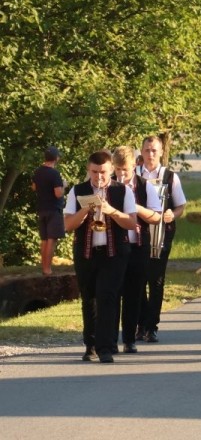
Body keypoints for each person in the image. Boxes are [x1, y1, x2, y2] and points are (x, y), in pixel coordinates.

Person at [64, 150, 138, 363]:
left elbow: (132, 223)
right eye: (95, 172)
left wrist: (110, 210)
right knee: (89, 298)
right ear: (88, 170)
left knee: (107, 296)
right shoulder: (77, 191)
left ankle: (106, 347)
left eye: (103, 172)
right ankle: (90, 345)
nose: (99, 177)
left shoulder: (123, 191)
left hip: (114, 253)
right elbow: (68, 225)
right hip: (86, 252)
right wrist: (85, 210)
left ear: (111, 170)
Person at [135, 136, 187, 344]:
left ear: (161, 151)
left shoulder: (170, 176)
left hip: (161, 234)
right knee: (137, 280)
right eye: (147, 150)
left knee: (156, 281)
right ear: (141, 151)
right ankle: (140, 322)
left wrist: (172, 215)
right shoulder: (133, 174)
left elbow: (181, 206)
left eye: (154, 150)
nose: (150, 155)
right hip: (137, 234)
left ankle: (152, 326)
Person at [111, 146, 161, 354]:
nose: (121, 175)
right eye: (118, 170)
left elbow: (157, 217)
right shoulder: (108, 185)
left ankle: (129, 338)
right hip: (114, 245)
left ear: (135, 165)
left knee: (134, 293)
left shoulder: (144, 186)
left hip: (138, 246)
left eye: (126, 170)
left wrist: (135, 206)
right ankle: (110, 339)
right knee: (112, 293)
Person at [32, 146, 66, 275]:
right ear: (56, 158)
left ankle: (44, 267)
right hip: (53, 209)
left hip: (41, 208)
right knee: (52, 239)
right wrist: (64, 186)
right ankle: (47, 269)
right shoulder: (54, 173)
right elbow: (58, 193)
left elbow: (34, 187)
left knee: (44, 239)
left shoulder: (38, 171)